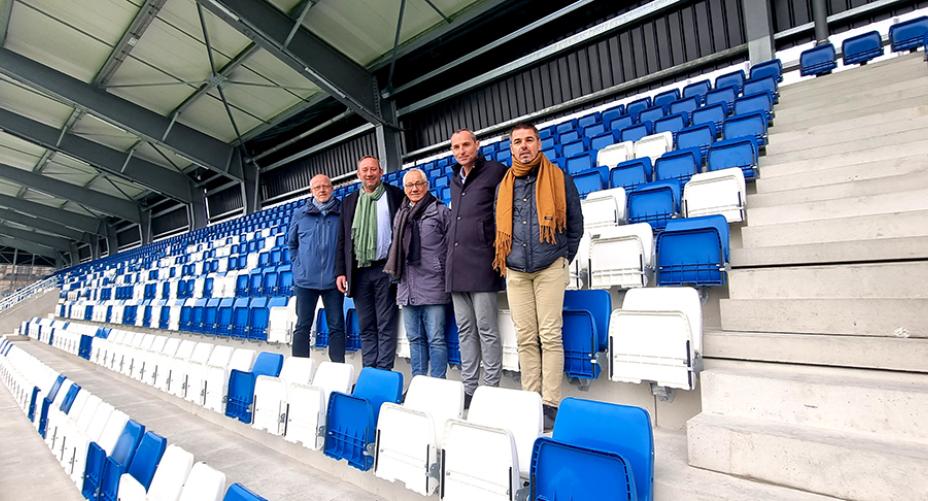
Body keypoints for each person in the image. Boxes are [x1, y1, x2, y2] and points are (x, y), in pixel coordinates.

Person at [493, 122, 583, 429]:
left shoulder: (559, 178)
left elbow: (575, 226)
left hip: (549, 267)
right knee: (525, 338)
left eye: (529, 140)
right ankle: (531, 400)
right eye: (517, 141)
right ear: (511, 148)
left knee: (550, 335)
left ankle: (551, 403)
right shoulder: (504, 185)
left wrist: (561, 258)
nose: (523, 146)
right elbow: (499, 228)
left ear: (539, 144)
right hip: (517, 271)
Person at [445, 128, 507, 407]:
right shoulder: (453, 179)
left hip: (483, 262)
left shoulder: (495, 171)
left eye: (466, 145)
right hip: (456, 266)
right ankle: (469, 388)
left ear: (477, 145)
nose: (461, 151)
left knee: (487, 329)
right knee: (465, 331)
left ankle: (490, 387)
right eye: (456, 147)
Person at [335, 156, 405, 369]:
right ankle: (369, 369)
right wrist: (340, 271)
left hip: (386, 267)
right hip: (359, 271)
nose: (369, 173)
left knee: (385, 322)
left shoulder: (395, 195)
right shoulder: (349, 201)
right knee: (366, 324)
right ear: (358, 174)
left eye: (373, 169)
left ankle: (383, 370)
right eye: (364, 170)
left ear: (381, 172)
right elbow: (342, 239)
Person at [385, 168, 451, 378]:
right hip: (407, 286)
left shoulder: (440, 211)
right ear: (404, 189)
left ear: (426, 185)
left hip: (434, 285)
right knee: (415, 339)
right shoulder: (401, 214)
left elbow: (452, 247)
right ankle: (419, 383)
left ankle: (438, 383)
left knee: (436, 339)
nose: (414, 189)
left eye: (418, 184)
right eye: (409, 185)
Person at [287, 174, 345, 362]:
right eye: (317, 187)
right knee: (302, 326)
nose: (322, 190)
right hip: (305, 281)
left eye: (325, 186)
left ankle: (338, 367)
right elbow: (292, 244)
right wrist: (298, 266)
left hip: (333, 281)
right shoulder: (300, 214)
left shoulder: (343, 212)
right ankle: (300, 367)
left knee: (336, 326)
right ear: (311, 191)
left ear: (332, 188)